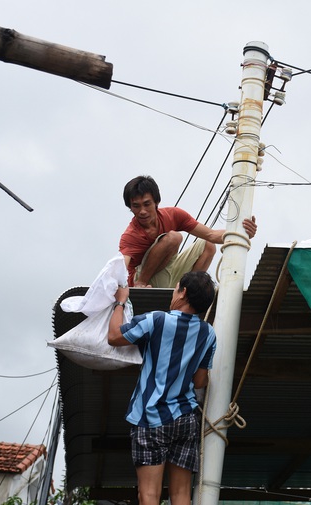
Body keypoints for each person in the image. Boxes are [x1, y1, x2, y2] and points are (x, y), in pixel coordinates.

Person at [108, 271, 217, 505]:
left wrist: (120, 302)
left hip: (150, 417)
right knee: (181, 495)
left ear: (183, 293)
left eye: (176, 288)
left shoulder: (157, 320)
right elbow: (200, 382)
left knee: (149, 495)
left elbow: (114, 336)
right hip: (185, 418)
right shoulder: (208, 334)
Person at [119, 175, 257, 288]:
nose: (142, 211)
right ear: (130, 208)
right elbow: (119, 269)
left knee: (207, 244)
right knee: (174, 237)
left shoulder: (173, 215)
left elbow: (211, 235)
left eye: (147, 204)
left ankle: (187, 290)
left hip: (169, 272)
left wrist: (242, 233)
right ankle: (142, 284)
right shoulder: (131, 235)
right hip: (144, 281)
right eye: (136, 206)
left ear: (156, 202)